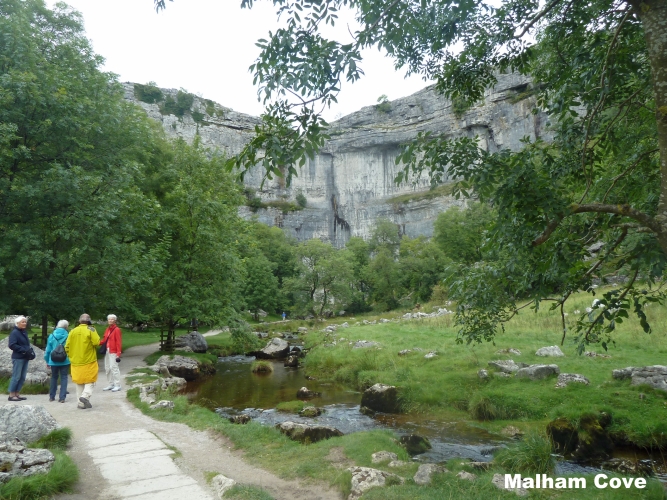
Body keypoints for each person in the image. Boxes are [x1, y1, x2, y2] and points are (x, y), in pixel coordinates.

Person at [65, 313, 100, 409]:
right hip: (89, 360)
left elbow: (67, 346)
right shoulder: (91, 329)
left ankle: (80, 404)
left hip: (75, 361)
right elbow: (96, 342)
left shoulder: (73, 331)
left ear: (79, 321)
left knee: (79, 382)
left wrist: (70, 356)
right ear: (89, 321)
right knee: (90, 380)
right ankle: (85, 396)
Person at [44, 319, 71, 403]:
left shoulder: (52, 335)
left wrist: (47, 360)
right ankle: (62, 397)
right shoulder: (69, 335)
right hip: (65, 360)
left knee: (54, 377)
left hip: (53, 360)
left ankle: (52, 396)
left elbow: (48, 350)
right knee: (64, 377)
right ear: (66, 327)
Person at [7, 316, 31, 402]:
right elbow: (12, 345)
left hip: (25, 357)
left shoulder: (24, 332)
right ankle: (11, 394)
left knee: (22, 377)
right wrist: (23, 350)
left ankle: (17, 393)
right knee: (16, 376)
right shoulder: (14, 333)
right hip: (18, 357)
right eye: (23, 322)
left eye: (25, 322)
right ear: (17, 323)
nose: (25, 323)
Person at [101, 314, 122, 392]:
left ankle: (117, 384)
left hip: (113, 351)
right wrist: (96, 342)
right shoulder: (107, 329)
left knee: (114, 367)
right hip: (107, 350)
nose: (110, 320)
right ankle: (110, 384)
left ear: (115, 320)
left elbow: (118, 342)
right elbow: (104, 340)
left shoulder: (117, 329)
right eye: (109, 319)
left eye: (112, 319)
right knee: (107, 368)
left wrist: (118, 353)